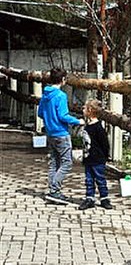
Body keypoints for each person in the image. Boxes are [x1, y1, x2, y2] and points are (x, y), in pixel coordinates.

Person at [38, 67, 85, 205]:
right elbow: (63, 116)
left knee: (54, 162)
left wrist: (49, 118)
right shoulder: (61, 96)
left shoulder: (45, 94)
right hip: (61, 133)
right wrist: (78, 121)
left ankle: (54, 191)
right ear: (63, 80)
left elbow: (40, 113)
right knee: (67, 163)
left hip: (50, 133)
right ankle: (55, 189)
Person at [78, 99, 113, 210]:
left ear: (90, 110)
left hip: (98, 158)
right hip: (88, 158)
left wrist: (105, 155)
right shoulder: (87, 126)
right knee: (89, 179)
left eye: (84, 108)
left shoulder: (98, 128)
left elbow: (104, 143)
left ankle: (104, 198)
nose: (82, 109)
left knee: (100, 179)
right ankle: (90, 198)